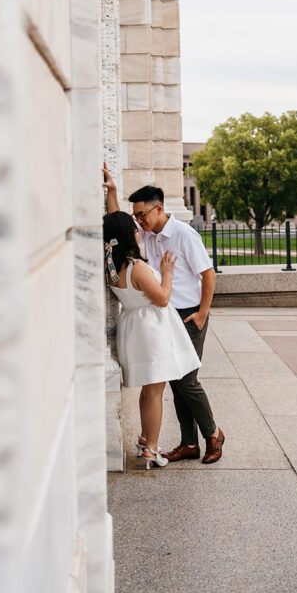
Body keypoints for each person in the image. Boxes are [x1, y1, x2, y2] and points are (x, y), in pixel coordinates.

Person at [103, 164, 225, 464]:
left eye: (142, 214)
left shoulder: (184, 235)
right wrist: (113, 193)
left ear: (158, 209)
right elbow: (120, 229)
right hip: (166, 314)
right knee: (173, 379)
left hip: (188, 313)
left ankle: (213, 434)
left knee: (186, 380)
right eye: (137, 217)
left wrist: (202, 314)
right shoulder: (145, 235)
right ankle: (189, 443)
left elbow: (208, 275)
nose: (139, 220)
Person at [103, 210, 201, 468]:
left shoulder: (112, 267)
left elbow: (115, 221)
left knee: (149, 388)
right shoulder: (137, 267)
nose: (138, 231)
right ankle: (152, 449)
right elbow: (163, 298)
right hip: (151, 330)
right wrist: (167, 272)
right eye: (134, 228)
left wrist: (113, 191)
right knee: (156, 391)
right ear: (128, 235)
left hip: (134, 328)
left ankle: (146, 438)